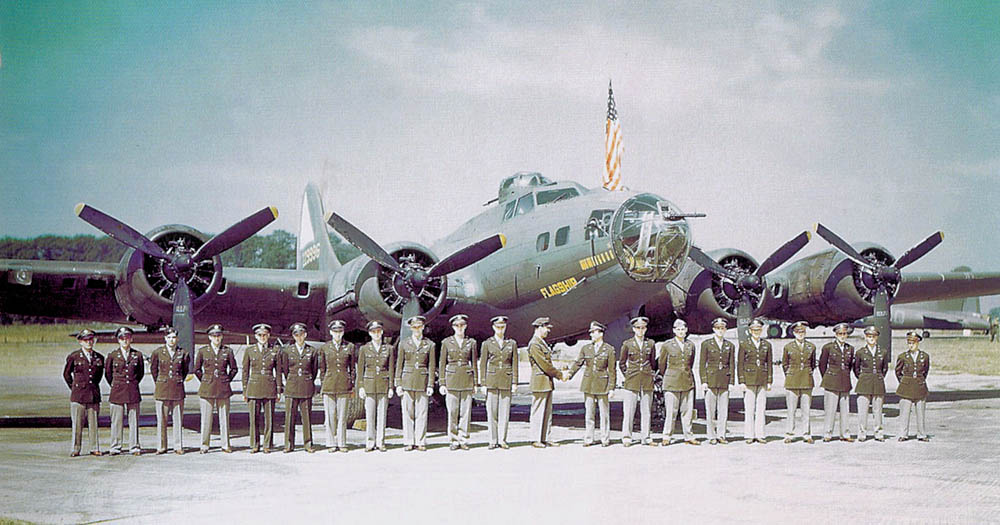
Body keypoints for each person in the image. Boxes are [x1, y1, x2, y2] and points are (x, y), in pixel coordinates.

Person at [566, 321, 616, 447]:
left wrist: (611, 388)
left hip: (602, 385)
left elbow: (612, 370)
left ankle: (605, 439)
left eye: (594, 332)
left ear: (601, 333)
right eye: (591, 333)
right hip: (588, 384)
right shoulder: (586, 348)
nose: (591, 335)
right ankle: (589, 439)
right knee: (589, 414)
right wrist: (569, 374)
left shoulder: (609, 349)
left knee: (604, 414)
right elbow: (578, 363)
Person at [194, 324, 238, 453]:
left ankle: (225, 444)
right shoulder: (203, 351)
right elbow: (197, 369)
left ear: (222, 336)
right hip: (207, 387)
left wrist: (226, 379)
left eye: (218, 336)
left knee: (224, 418)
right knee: (206, 419)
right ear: (209, 337)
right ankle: (204, 444)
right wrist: (205, 379)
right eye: (214, 336)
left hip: (223, 388)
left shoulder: (227, 351)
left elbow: (234, 369)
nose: (216, 338)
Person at [395, 315, 436, 451]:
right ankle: (408, 441)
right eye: (414, 327)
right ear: (411, 328)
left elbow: (431, 366)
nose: (417, 329)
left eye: (419, 327)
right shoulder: (404, 344)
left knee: (422, 413)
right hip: (407, 381)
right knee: (407, 413)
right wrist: (398, 383)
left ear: (423, 327)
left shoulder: (430, 344)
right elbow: (399, 365)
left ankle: (420, 441)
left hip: (422, 382)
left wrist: (430, 384)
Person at [63, 328, 104, 457]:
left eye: (91, 340)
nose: (89, 342)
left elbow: (99, 376)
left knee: (94, 424)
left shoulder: (99, 357)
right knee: (77, 424)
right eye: (86, 340)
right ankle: (76, 448)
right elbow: (66, 374)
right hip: (78, 395)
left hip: (93, 395)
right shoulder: (74, 356)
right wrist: (74, 387)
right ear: (80, 342)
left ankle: (94, 447)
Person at [479, 315, 519, 449]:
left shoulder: (511, 343)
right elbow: (483, 364)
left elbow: (514, 364)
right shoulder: (487, 344)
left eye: (502, 327)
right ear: (493, 327)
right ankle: (492, 440)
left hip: (506, 381)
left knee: (504, 412)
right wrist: (483, 383)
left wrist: (515, 382)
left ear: (505, 327)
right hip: (492, 381)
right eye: (498, 327)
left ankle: (502, 440)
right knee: (492, 412)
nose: (500, 329)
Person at [439, 314, 478, 450]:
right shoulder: (446, 343)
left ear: (465, 326)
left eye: (462, 325)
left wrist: (475, 383)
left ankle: (464, 439)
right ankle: (453, 440)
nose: (459, 328)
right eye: (457, 326)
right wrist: (442, 383)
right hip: (452, 380)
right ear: (453, 327)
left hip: (467, 380)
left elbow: (474, 364)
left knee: (465, 413)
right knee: (452, 412)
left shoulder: (471, 343)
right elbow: (442, 363)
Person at [242, 323, 282, 453]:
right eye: (260, 335)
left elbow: (279, 371)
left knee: (269, 419)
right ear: (256, 336)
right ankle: (254, 444)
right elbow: (245, 372)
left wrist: (278, 389)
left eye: (265, 335)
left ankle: (267, 445)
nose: (263, 337)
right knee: (254, 419)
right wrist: (245, 390)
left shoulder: (275, 350)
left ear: (269, 335)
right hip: (253, 388)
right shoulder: (249, 350)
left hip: (269, 387)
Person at [659, 319, 698, 445]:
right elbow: (662, 364)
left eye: (683, 329)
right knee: (671, 411)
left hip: (687, 381)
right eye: (678, 329)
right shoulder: (667, 345)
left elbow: (690, 363)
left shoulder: (690, 345)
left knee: (687, 411)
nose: (681, 332)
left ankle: (689, 436)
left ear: (686, 330)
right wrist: (670, 375)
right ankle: (667, 436)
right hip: (672, 382)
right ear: (674, 331)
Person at [150, 327, 189, 454]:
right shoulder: (158, 352)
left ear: (177, 339)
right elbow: (154, 370)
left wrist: (177, 380)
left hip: (177, 389)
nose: (172, 340)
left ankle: (178, 446)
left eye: (174, 337)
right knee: (162, 419)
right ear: (165, 339)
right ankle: (161, 446)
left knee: (178, 419)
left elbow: (184, 370)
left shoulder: (183, 353)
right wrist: (162, 381)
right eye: (169, 337)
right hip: (162, 389)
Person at [357, 320, 395, 452]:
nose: (376, 334)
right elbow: (360, 369)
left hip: (383, 385)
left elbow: (391, 369)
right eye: (374, 332)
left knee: (382, 415)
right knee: (370, 415)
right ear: (370, 333)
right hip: (369, 385)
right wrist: (360, 386)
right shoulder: (364, 349)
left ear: (382, 332)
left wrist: (391, 387)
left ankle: (381, 442)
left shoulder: (389, 349)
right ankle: (370, 442)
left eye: (378, 331)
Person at [280, 322, 318, 453]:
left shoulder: (311, 351)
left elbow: (314, 370)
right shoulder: (287, 351)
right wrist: (291, 380)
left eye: (301, 334)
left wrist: (308, 381)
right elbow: (285, 369)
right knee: (289, 417)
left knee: (307, 417)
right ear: (293, 336)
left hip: (306, 386)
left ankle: (308, 444)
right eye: (296, 335)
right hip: (291, 387)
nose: (299, 337)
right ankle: (288, 444)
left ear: (305, 335)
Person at [105, 326, 143, 456]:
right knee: (116, 421)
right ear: (118, 340)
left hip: (132, 391)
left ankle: (134, 446)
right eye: (122, 338)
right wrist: (116, 384)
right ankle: (116, 446)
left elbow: (140, 373)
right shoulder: (112, 355)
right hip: (117, 391)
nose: (125, 340)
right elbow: (108, 374)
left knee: (134, 421)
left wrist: (132, 384)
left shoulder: (137, 355)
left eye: (127, 338)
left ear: (131, 339)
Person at [619, 316, 656, 446]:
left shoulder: (650, 344)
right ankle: (627, 437)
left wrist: (651, 375)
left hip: (646, 380)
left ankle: (646, 437)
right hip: (632, 381)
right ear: (634, 329)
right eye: (638, 328)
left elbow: (652, 362)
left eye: (643, 328)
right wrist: (628, 376)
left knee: (646, 410)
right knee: (629, 410)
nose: (641, 330)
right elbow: (622, 363)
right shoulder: (627, 344)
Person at [319, 319, 355, 453]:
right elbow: (322, 369)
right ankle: (330, 443)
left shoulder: (349, 347)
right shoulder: (325, 347)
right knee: (330, 416)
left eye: (340, 331)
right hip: (329, 385)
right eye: (335, 331)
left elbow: (352, 368)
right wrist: (324, 383)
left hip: (344, 385)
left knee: (342, 416)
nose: (338, 334)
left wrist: (351, 385)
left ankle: (342, 442)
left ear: (343, 332)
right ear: (330, 332)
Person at [700, 317, 736, 445]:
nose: (720, 330)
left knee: (723, 410)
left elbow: (732, 364)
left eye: (722, 328)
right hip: (711, 380)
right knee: (710, 410)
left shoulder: (730, 345)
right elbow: (702, 364)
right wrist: (703, 381)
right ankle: (711, 436)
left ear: (725, 330)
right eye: (718, 328)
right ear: (714, 329)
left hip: (724, 380)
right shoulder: (706, 344)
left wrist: (732, 382)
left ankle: (721, 435)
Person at [527, 317, 562, 448]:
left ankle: (546, 437)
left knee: (547, 412)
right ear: (539, 327)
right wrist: (559, 374)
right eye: (546, 328)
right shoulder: (535, 344)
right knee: (538, 411)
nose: (548, 331)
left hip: (546, 381)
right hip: (540, 381)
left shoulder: (541, 342)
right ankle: (535, 439)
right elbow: (544, 364)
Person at [781, 321, 816, 444]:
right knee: (791, 410)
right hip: (792, 381)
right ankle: (789, 434)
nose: (800, 334)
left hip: (806, 380)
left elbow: (813, 364)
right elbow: (785, 364)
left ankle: (806, 434)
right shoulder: (788, 347)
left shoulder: (811, 347)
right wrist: (791, 374)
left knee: (806, 410)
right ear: (794, 333)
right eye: (798, 332)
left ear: (805, 333)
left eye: (802, 332)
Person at [819, 323, 855, 442]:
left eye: (844, 334)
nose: (842, 336)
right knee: (830, 409)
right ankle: (827, 433)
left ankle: (845, 433)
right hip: (831, 381)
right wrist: (828, 377)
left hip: (844, 381)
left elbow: (849, 366)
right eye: (840, 334)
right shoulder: (828, 347)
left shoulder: (850, 348)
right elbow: (822, 365)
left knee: (845, 410)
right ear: (835, 334)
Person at [739, 318, 772, 444]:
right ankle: (749, 435)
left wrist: (769, 380)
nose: (756, 332)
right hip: (749, 380)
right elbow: (740, 364)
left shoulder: (766, 345)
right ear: (750, 331)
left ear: (761, 330)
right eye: (754, 330)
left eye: (758, 330)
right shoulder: (744, 344)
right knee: (749, 408)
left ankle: (760, 434)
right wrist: (742, 381)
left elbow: (769, 364)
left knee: (761, 408)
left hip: (762, 380)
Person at [854, 326, 890, 442]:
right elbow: (856, 369)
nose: (871, 339)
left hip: (878, 383)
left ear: (877, 337)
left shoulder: (883, 352)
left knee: (878, 410)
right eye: (869, 336)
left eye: (873, 336)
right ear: (866, 338)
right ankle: (862, 433)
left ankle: (878, 433)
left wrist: (878, 377)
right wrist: (864, 377)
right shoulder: (860, 352)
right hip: (864, 383)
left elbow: (884, 368)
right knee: (863, 411)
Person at [896, 331, 931, 441]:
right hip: (906, 387)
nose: (911, 345)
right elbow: (898, 372)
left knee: (920, 413)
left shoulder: (924, 356)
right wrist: (904, 381)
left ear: (918, 343)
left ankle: (921, 434)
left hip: (920, 387)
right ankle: (903, 434)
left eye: (913, 343)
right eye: (909, 343)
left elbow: (925, 371)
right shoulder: (902, 356)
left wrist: (920, 380)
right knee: (905, 413)